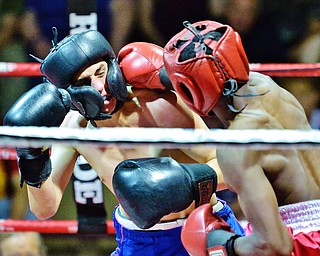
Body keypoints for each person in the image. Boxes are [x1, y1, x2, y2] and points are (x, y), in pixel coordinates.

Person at [4, 29, 244, 255]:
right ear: (68, 93)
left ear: (113, 67)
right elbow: (44, 209)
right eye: (84, 83)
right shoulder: (75, 131)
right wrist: (31, 154)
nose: (99, 87)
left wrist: (185, 182)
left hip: (204, 226)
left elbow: (231, 169)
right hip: (138, 241)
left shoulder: (156, 105)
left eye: (100, 73)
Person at [160, 20, 320, 255]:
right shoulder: (269, 87)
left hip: (302, 245)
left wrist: (222, 245)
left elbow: (273, 246)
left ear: (189, 90)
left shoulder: (237, 145)